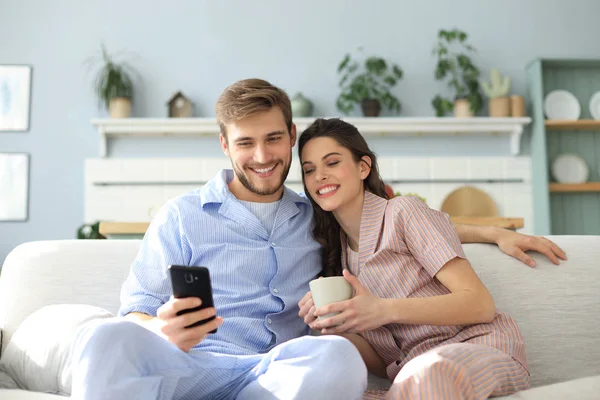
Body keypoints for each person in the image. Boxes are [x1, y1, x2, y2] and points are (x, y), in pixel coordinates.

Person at [70, 79, 565, 400]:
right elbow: (135, 305)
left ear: (289, 134)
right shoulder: (181, 216)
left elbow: (398, 220)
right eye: (245, 142)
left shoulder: (317, 212)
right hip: (197, 364)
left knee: (337, 357)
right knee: (106, 337)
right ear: (225, 144)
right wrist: (160, 328)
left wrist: (492, 231)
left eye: (272, 139)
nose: (262, 156)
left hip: (277, 373)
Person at [297, 117, 545, 399]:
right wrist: (336, 328)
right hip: (412, 372)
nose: (319, 176)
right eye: (309, 170)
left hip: (476, 348)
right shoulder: (339, 259)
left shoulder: (404, 212)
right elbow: (386, 362)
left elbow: (480, 304)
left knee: (431, 373)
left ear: (363, 167)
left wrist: (382, 309)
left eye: (332, 163)